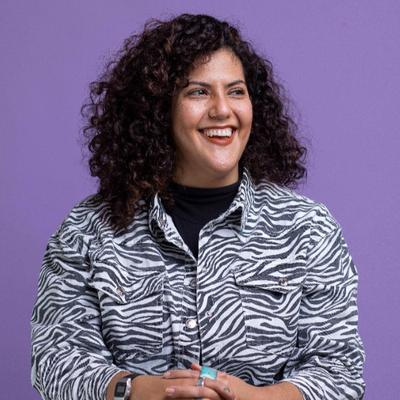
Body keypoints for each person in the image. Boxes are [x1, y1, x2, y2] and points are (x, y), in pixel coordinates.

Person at [31, 13, 365, 400]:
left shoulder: (309, 229)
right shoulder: (88, 231)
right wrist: (136, 390)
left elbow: (340, 371)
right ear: (159, 109)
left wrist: (256, 398)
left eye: (236, 91)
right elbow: (56, 361)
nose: (222, 110)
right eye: (198, 92)